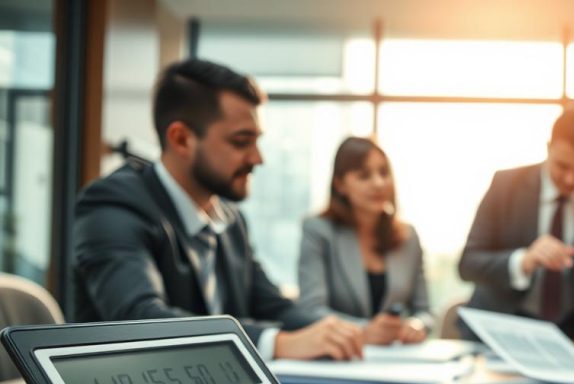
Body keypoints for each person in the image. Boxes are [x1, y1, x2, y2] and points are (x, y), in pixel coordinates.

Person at [74, 58, 364, 361]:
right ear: (182, 139)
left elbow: (273, 306)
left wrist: (342, 332)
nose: (257, 158)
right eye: (241, 142)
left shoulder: (229, 218)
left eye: (257, 141)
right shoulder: (112, 205)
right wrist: (276, 344)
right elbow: (141, 320)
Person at [458, 108, 574, 339]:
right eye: (562, 166)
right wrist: (524, 261)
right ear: (549, 148)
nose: (571, 179)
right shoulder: (506, 185)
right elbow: (468, 264)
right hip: (502, 327)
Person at [298, 137, 432, 345]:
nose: (378, 183)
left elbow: (424, 311)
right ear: (340, 185)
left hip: (397, 357)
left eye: (384, 173)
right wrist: (364, 331)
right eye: (364, 176)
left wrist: (416, 325)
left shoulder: (409, 236)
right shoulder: (318, 230)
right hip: (340, 356)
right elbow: (310, 309)